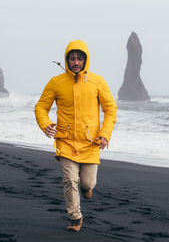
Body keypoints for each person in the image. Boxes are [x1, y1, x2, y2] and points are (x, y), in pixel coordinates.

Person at [34, 40, 117, 232]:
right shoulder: (56, 82)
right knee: (70, 180)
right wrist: (45, 125)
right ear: (67, 59)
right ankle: (75, 217)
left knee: (87, 182)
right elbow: (41, 107)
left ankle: (87, 189)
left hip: (91, 142)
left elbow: (110, 109)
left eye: (80, 58)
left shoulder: (98, 81)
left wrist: (105, 134)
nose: (76, 62)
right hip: (66, 141)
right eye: (72, 58)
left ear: (86, 60)